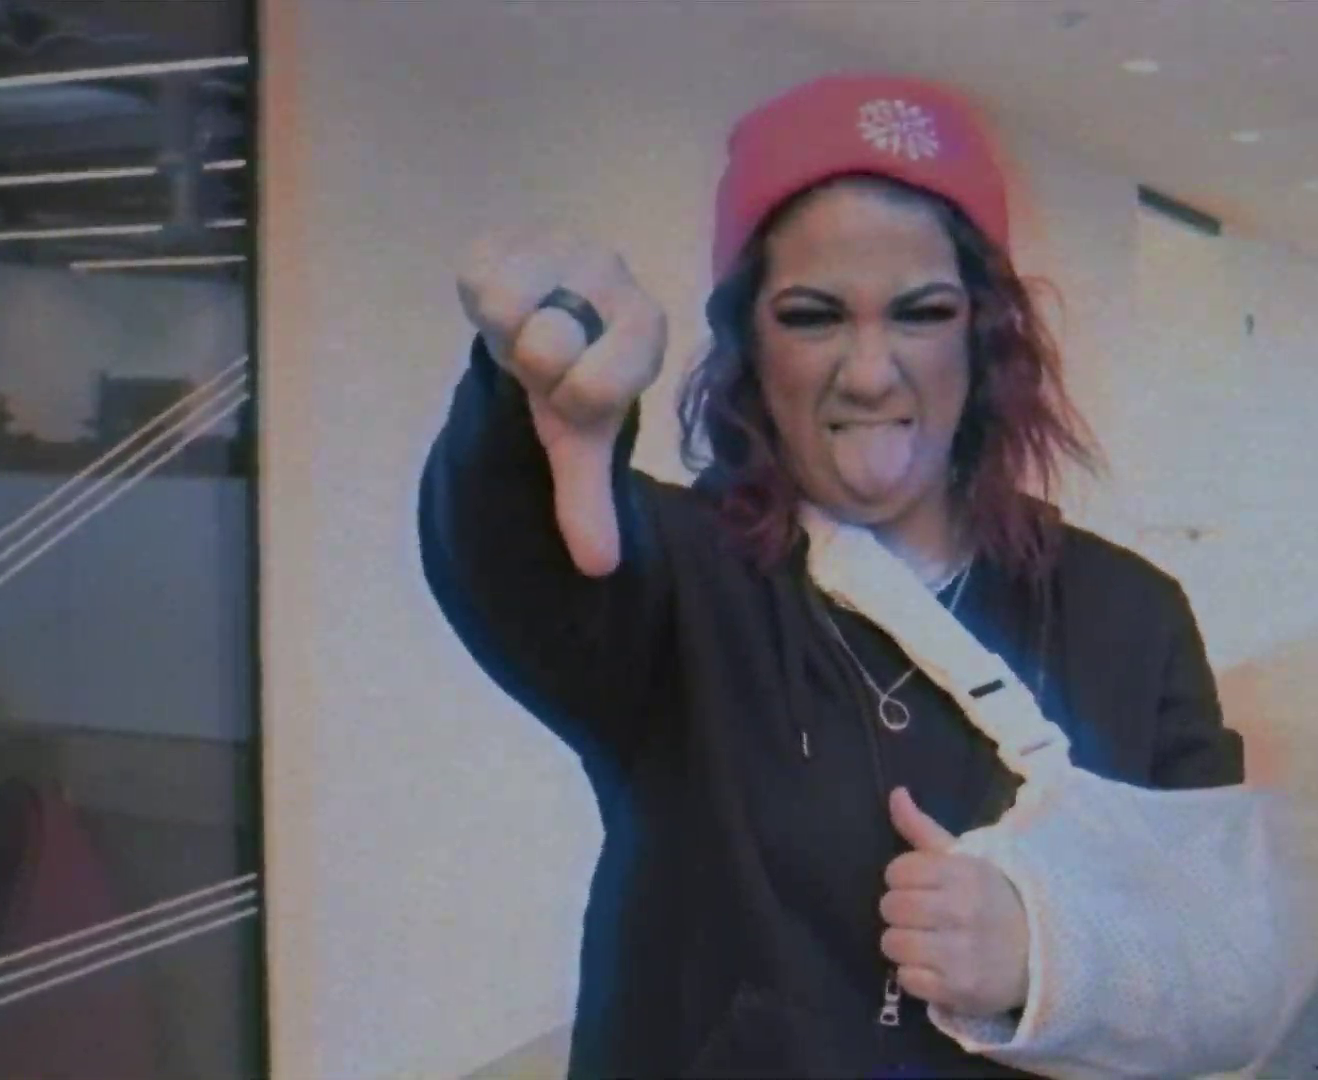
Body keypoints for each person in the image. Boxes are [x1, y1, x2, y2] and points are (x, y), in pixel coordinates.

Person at [420, 73, 1261, 1078]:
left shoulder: (1129, 615)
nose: (867, 371)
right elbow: (507, 549)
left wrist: (1047, 959)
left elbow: (1222, 968)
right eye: (813, 317)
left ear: (985, 334)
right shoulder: (674, 579)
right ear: (750, 345)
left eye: (921, 312)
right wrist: (523, 389)